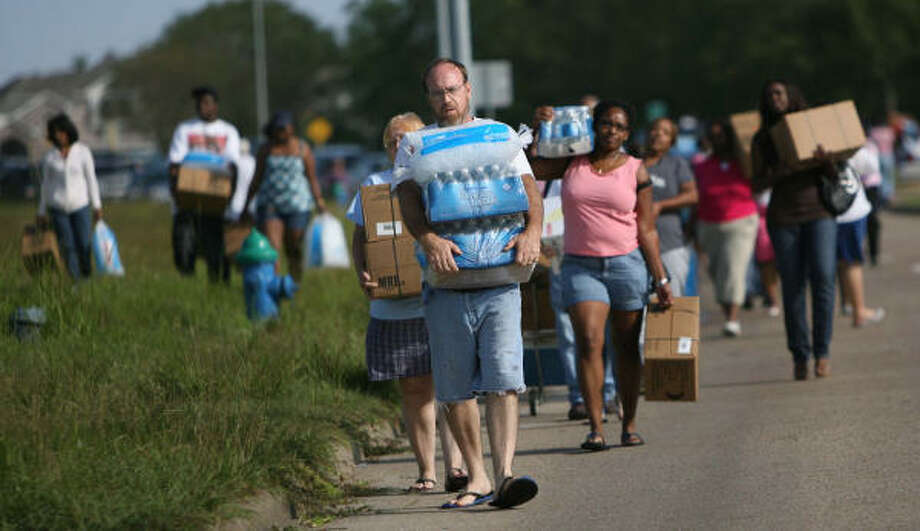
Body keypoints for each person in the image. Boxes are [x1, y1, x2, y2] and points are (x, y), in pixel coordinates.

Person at [394, 58, 541, 509]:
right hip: (447, 285)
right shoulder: (416, 146)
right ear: (428, 96)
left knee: (503, 380)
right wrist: (430, 237)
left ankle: (506, 474)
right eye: (437, 91)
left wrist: (532, 233)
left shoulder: (498, 136)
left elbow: (530, 193)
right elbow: (408, 200)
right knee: (456, 388)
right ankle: (476, 477)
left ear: (468, 89)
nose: (446, 98)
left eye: (453, 89)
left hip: (500, 280)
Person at [530, 100, 674, 451]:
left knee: (625, 347)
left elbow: (647, 229)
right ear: (593, 127)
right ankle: (595, 426)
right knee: (589, 341)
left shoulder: (636, 170)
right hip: (581, 266)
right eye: (606, 124)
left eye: (620, 127)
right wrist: (539, 128)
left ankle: (629, 423)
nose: (612, 131)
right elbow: (531, 168)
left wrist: (661, 278)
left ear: (627, 134)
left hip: (627, 265)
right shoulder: (571, 161)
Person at [346, 111, 467, 494]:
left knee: (450, 386)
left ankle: (458, 467)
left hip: (439, 298)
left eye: (407, 139)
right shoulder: (374, 186)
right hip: (394, 307)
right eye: (392, 140)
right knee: (415, 389)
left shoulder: (438, 179)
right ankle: (426, 471)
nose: (399, 146)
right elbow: (361, 238)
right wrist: (362, 273)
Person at [751, 80, 839, 380]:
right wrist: (781, 171)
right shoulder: (763, 139)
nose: (775, 98)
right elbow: (756, 183)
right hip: (784, 218)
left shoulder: (812, 128)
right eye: (770, 95)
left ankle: (822, 351)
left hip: (820, 213)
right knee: (793, 286)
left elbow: (835, 172)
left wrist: (825, 160)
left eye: (779, 93)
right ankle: (800, 354)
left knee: (825, 279)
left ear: (792, 96)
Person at [540, 180, 619, 421]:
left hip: (599, 260)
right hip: (560, 264)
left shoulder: (598, 170)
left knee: (603, 332)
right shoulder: (545, 179)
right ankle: (579, 397)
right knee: (569, 335)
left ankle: (608, 392)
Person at [693, 119, 759, 336]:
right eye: (713, 136)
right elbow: (696, 197)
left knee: (734, 269)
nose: (717, 140)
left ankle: (732, 318)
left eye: (721, 136)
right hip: (709, 222)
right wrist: (692, 225)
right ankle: (727, 308)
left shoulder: (743, 163)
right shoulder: (702, 166)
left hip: (740, 221)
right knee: (716, 271)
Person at [168, 86, 241, 282]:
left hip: (215, 200)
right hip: (187, 201)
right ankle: (188, 283)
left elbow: (232, 166)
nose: (202, 106)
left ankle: (217, 286)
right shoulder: (184, 129)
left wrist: (228, 199)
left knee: (216, 248)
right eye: (199, 103)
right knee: (184, 248)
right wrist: (177, 197)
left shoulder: (228, 131)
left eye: (207, 102)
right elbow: (175, 165)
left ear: (215, 105)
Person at [245, 111, 325, 281]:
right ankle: (273, 285)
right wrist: (246, 204)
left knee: (294, 247)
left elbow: (312, 179)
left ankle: (294, 283)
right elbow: (256, 178)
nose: (282, 133)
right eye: (279, 129)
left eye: (285, 129)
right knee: (273, 247)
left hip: (298, 206)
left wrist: (319, 201)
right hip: (270, 204)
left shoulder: (303, 149)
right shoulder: (266, 150)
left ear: (292, 129)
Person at [36, 113, 101, 280]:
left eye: (61, 132)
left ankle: (86, 275)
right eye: (55, 133)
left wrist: (97, 205)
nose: (59, 136)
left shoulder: (83, 152)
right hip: (58, 208)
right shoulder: (50, 157)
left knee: (84, 243)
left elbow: (91, 179)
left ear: (68, 132)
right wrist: (41, 211)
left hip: (81, 205)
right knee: (67, 246)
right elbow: (45, 185)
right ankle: (75, 281)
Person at [643, 117, 698, 297]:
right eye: (655, 129)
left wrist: (660, 205)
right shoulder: (632, 164)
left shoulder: (677, 164)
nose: (658, 134)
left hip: (670, 243)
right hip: (635, 248)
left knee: (670, 301)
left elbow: (692, 195)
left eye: (665, 132)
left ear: (672, 142)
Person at [836, 144, 885, 327]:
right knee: (852, 262)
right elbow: (871, 166)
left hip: (827, 213)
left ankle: (848, 304)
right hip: (849, 211)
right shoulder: (846, 140)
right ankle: (859, 311)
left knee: (840, 264)